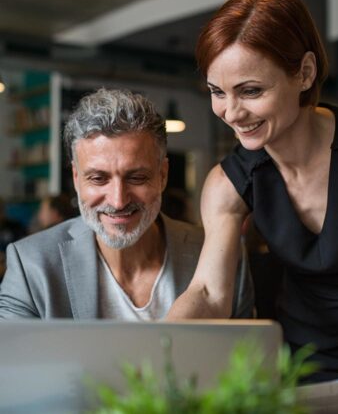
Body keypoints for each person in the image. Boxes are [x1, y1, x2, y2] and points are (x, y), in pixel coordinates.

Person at [167, 0, 338, 412]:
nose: (231, 112)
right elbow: (208, 291)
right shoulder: (228, 183)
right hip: (301, 372)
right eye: (218, 91)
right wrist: (153, 347)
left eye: (250, 90)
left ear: (305, 72)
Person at [0, 88, 253, 320]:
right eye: (98, 179)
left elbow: (247, 365)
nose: (118, 200)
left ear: (163, 175)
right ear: (77, 179)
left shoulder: (222, 255)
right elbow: (14, 365)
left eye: (137, 177)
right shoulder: (31, 264)